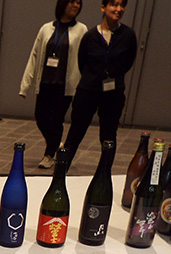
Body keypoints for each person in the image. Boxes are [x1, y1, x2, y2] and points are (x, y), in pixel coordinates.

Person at [61, 0, 137, 166]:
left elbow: (128, 62)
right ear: (103, 8)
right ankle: (60, 173)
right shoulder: (90, 36)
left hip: (113, 93)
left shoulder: (128, 35)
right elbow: (82, 62)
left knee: (108, 137)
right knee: (75, 133)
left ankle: (103, 175)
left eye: (122, 5)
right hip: (88, 91)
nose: (119, 9)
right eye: (114, 5)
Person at [20, 0, 86, 169]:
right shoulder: (46, 28)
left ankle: (49, 155)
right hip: (45, 82)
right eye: (72, 2)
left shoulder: (81, 30)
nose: (76, 5)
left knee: (56, 120)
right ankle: (56, 143)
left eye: (78, 3)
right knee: (41, 117)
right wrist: (25, 85)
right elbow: (34, 55)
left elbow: (85, 59)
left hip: (64, 86)